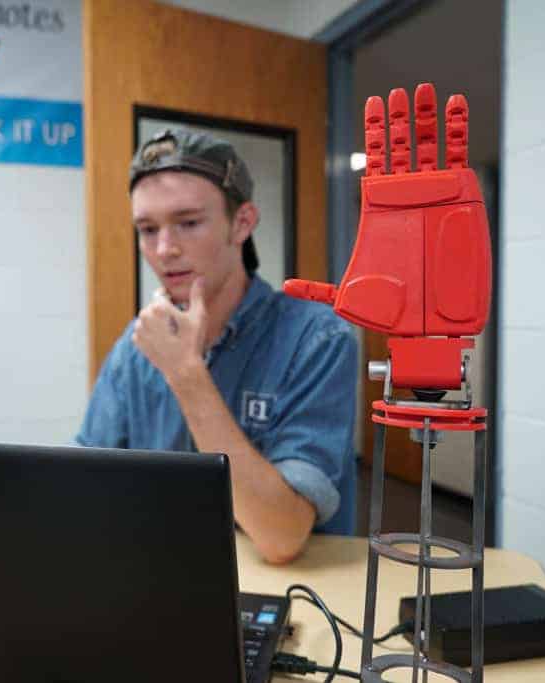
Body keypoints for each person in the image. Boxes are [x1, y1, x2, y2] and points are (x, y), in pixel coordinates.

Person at [76, 128, 357, 564]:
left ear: (242, 223)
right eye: (148, 229)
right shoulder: (135, 350)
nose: (165, 249)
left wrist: (186, 374)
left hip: (296, 593)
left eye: (188, 223)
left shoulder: (316, 339)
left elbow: (280, 537)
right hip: (165, 575)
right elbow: (83, 490)